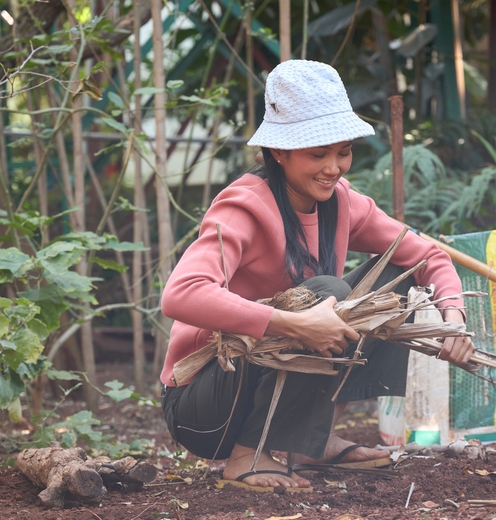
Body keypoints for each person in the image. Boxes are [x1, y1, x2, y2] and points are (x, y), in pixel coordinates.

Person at [159, 59, 474, 490]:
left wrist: (453, 318)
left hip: (260, 384)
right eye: (317, 154)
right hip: (207, 407)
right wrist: (295, 324)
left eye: (343, 152)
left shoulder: (342, 202)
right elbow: (180, 294)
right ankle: (248, 455)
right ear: (279, 152)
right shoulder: (244, 207)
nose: (333, 167)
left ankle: (310, 441)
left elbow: (425, 256)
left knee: (396, 274)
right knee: (327, 292)